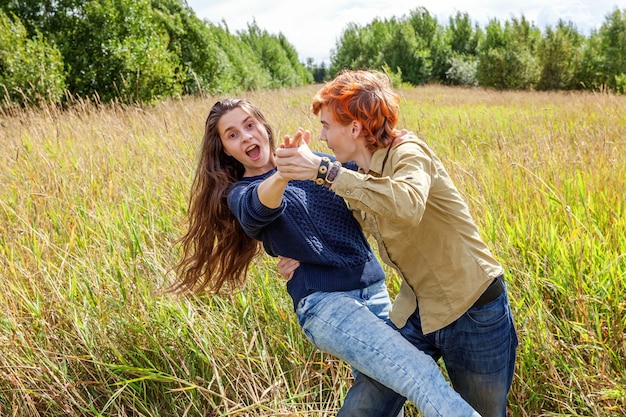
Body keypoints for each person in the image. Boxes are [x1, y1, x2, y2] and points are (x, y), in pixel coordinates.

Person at [170, 98, 480, 417]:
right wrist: (283, 174)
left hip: (373, 290)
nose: (246, 136)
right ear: (225, 150)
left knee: (383, 401)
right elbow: (258, 209)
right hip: (325, 303)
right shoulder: (240, 193)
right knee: (417, 372)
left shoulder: (312, 162)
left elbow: (364, 180)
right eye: (232, 134)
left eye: (249, 125)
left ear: (264, 127)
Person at [274, 69, 518, 417]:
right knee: (364, 408)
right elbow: (340, 234)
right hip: (416, 311)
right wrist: (301, 257)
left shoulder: (409, 152)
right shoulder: (358, 176)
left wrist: (326, 172)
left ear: (355, 128)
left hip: (474, 310)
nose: (323, 137)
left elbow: (406, 205)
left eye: (327, 126)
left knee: (481, 412)